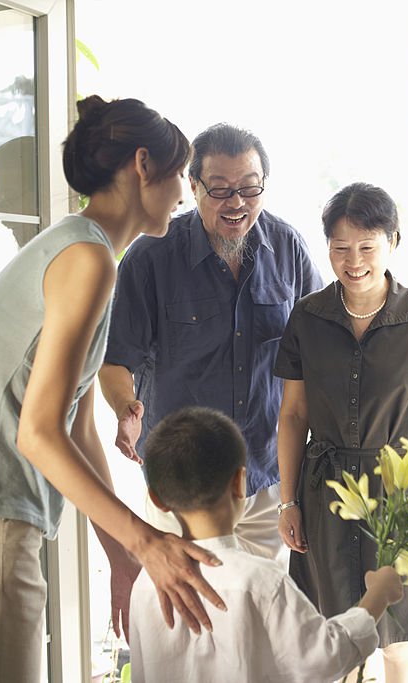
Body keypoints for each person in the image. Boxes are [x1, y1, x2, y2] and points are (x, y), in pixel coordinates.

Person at [0, 96, 227, 683]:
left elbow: (78, 428)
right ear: (142, 165)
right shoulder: (87, 259)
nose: (184, 192)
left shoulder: (81, 247)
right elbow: (38, 433)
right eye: (181, 173)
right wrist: (148, 541)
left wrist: (121, 554)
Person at [99, 123, 322, 563]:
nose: (236, 202)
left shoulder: (287, 248)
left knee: (260, 616)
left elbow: (319, 346)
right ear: (194, 186)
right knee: (190, 618)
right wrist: (126, 408)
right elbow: (115, 359)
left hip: (264, 478)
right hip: (183, 481)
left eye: (249, 188)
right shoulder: (151, 257)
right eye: (219, 189)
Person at [275, 182, 408, 681]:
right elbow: (294, 415)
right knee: (335, 637)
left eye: (367, 246)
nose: (353, 260)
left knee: (401, 637)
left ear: (393, 243)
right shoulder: (308, 316)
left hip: (402, 491)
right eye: (340, 248)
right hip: (327, 494)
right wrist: (287, 501)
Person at [129, 405, 404, 682]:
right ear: (240, 482)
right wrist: (379, 594)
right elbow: (325, 657)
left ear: (157, 499)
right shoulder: (262, 581)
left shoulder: (145, 584)